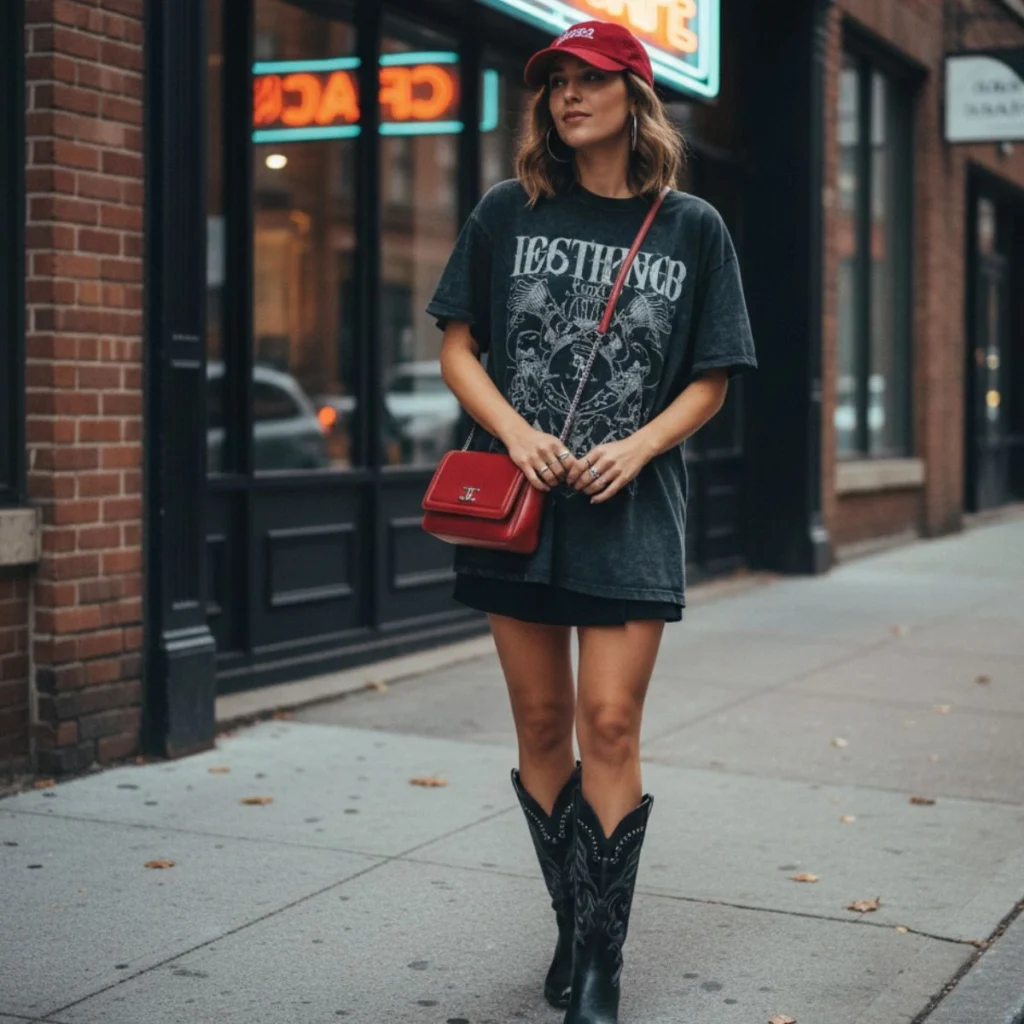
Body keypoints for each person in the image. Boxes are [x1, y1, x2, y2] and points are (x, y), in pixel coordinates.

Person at [426, 19, 757, 1023]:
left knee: (608, 719)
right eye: (556, 82)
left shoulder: (691, 224)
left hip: (629, 509)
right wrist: (514, 432)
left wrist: (641, 443)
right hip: (517, 506)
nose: (569, 97)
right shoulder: (504, 211)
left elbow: (712, 379)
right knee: (538, 720)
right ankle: (574, 918)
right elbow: (457, 348)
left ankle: (602, 965)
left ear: (635, 96)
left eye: (591, 80)